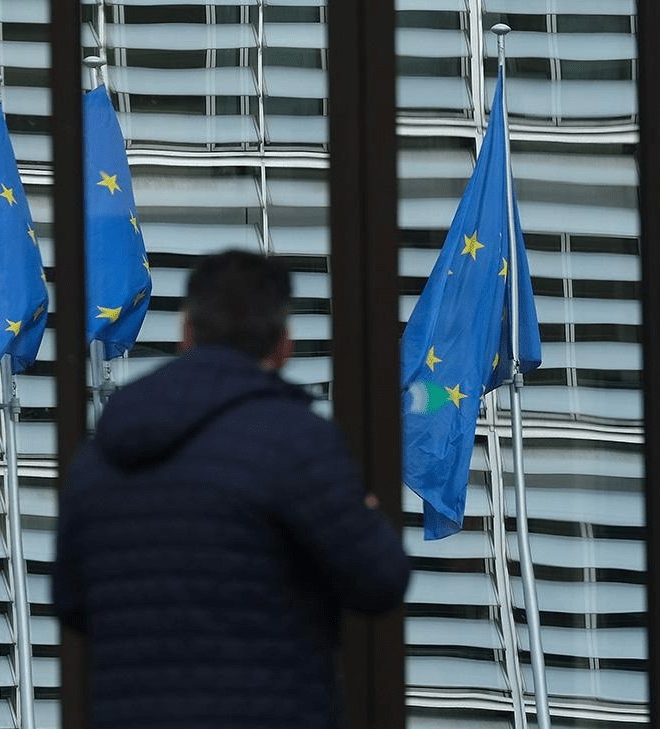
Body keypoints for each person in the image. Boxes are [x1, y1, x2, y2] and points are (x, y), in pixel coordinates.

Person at [54, 250, 411, 729]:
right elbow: (381, 580)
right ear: (283, 346)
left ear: (186, 333)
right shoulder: (294, 441)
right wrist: (361, 513)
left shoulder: (101, 454)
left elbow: (71, 601)